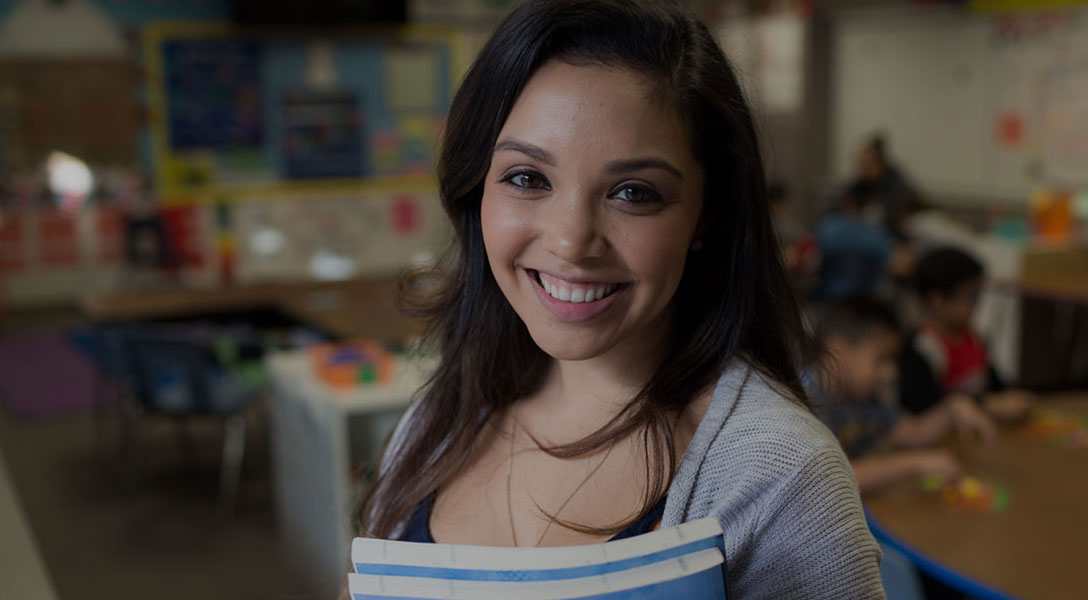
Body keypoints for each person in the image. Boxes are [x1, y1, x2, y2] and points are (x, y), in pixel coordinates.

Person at [356, 1, 884, 598]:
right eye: (527, 178)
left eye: (634, 192)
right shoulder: (437, 422)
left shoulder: (777, 476)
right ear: (476, 186)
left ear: (705, 214)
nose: (570, 240)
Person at [811, 295, 995, 494]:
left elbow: (912, 432)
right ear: (838, 350)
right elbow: (832, 478)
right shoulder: (807, 400)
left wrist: (952, 408)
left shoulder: (861, 395)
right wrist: (913, 464)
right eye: (881, 359)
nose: (891, 373)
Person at [898, 246, 1034, 422]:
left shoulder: (974, 338)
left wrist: (1012, 398)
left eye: (978, 296)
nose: (978, 305)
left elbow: (994, 384)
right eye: (971, 297)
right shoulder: (921, 348)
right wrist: (988, 406)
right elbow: (923, 408)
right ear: (936, 300)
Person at [842, 133, 916, 240]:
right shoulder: (858, 185)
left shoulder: (898, 187)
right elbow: (837, 207)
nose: (862, 169)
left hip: (889, 239)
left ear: (878, 162)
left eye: (866, 164)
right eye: (860, 164)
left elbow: (900, 221)